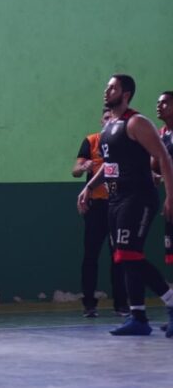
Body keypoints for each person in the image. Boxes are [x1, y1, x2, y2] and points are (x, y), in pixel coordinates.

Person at [77, 74, 173, 336]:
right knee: (125, 256)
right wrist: (89, 187)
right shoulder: (109, 127)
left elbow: (163, 157)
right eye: (107, 87)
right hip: (116, 200)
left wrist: (170, 196)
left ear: (126, 94)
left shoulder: (137, 122)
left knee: (128, 255)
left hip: (138, 198)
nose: (106, 91)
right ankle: (138, 317)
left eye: (112, 88)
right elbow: (109, 166)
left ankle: (170, 302)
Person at [72, 108, 128, 318]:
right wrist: (83, 167)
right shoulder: (91, 141)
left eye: (113, 118)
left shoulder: (124, 142)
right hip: (96, 208)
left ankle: (121, 304)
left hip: (118, 205)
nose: (109, 121)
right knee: (91, 256)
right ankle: (89, 304)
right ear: (101, 121)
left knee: (119, 256)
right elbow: (75, 171)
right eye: (106, 118)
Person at [154, 90, 173, 267]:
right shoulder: (160, 134)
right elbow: (152, 164)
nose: (159, 106)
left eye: (164, 102)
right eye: (158, 102)